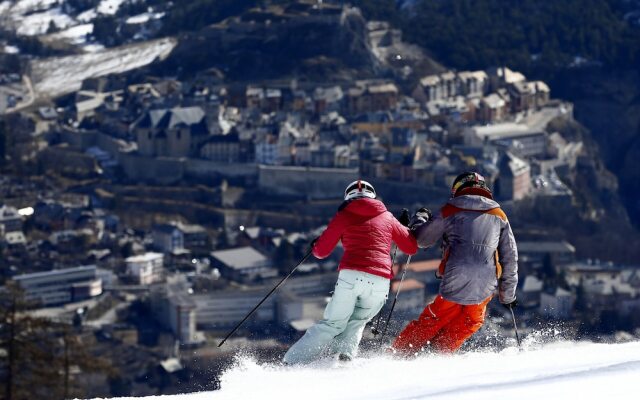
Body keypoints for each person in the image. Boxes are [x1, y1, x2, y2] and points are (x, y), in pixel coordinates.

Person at [283, 180, 418, 364]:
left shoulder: (344, 215)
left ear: (348, 197)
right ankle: (342, 361)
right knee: (357, 322)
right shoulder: (387, 216)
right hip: (380, 281)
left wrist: (315, 246)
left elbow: (322, 252)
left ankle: (291, 363)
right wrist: (404, 229)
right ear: (373, 196)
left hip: (351, 276)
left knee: (332, 324)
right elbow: (410, 247)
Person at [392, 172, 518, 355]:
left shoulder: (450, 209)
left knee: (436, 318)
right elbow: (510, 256)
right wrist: (508, 295)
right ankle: (439, 354)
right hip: (486, 281)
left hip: (456, 274)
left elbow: (422, 240)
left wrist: (420, 218)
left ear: (457, 189)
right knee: (470, 321)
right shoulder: (499, 214)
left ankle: (400, 354)